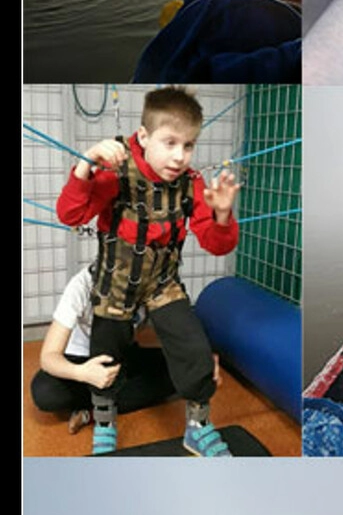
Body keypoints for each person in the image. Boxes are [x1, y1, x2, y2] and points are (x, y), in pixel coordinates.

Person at [55, 88, 239, 457]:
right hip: (115, 284)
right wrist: (85, 164)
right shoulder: (114, 170)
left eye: (188, 145)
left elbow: (217, 245)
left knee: (196, 350)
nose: (179, 155)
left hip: (162, 284)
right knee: (106, 354)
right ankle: (105, 421)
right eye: (169, 142)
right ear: (143, 137)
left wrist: (221, 215)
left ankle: (198, 426)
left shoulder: (192, 183)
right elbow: (70, 215)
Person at [30, 264, 175, 438]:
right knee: (45, 392)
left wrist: (198, 357)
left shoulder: (152, 282)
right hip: (82, 359)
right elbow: (48, 356)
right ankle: (102, 403)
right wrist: (82, 373)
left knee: (181, 371)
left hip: (121, 357)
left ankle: (90, 411)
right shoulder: (82, 284)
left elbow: (177, 330)